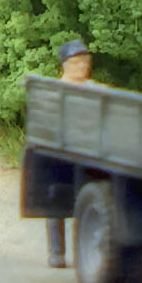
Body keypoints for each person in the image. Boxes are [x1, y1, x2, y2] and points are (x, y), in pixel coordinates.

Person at [48, 38, 93, 267]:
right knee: (55, 201)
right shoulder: (57, 91)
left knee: (85, 201)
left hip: (88, 153)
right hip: (61, 152)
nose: (82, 66)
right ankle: (56, 251)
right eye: (76, 62)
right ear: (65, 65)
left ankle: (83, 254)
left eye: (85, 61)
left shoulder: (94, 89)